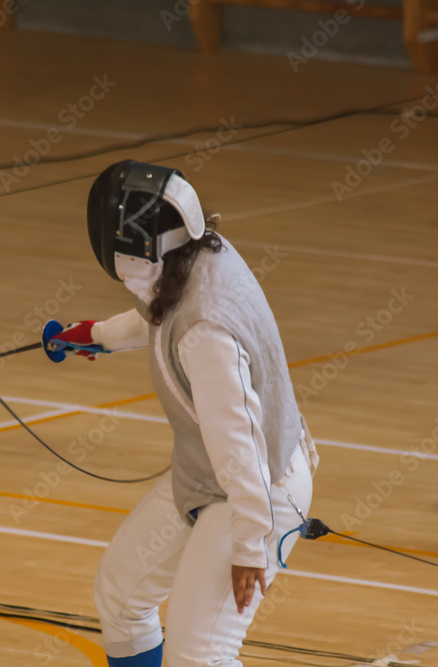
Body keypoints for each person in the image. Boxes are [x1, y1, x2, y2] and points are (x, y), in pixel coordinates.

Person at [48, 160, 318, 666]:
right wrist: (97, 336)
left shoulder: (204, 335)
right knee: (121, 597)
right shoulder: (194, 258)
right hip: (210, 475)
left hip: (260, 489)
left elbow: (239, 443)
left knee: (199, 657)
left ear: (129, 247)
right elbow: (159, 307)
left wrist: (249, 544)